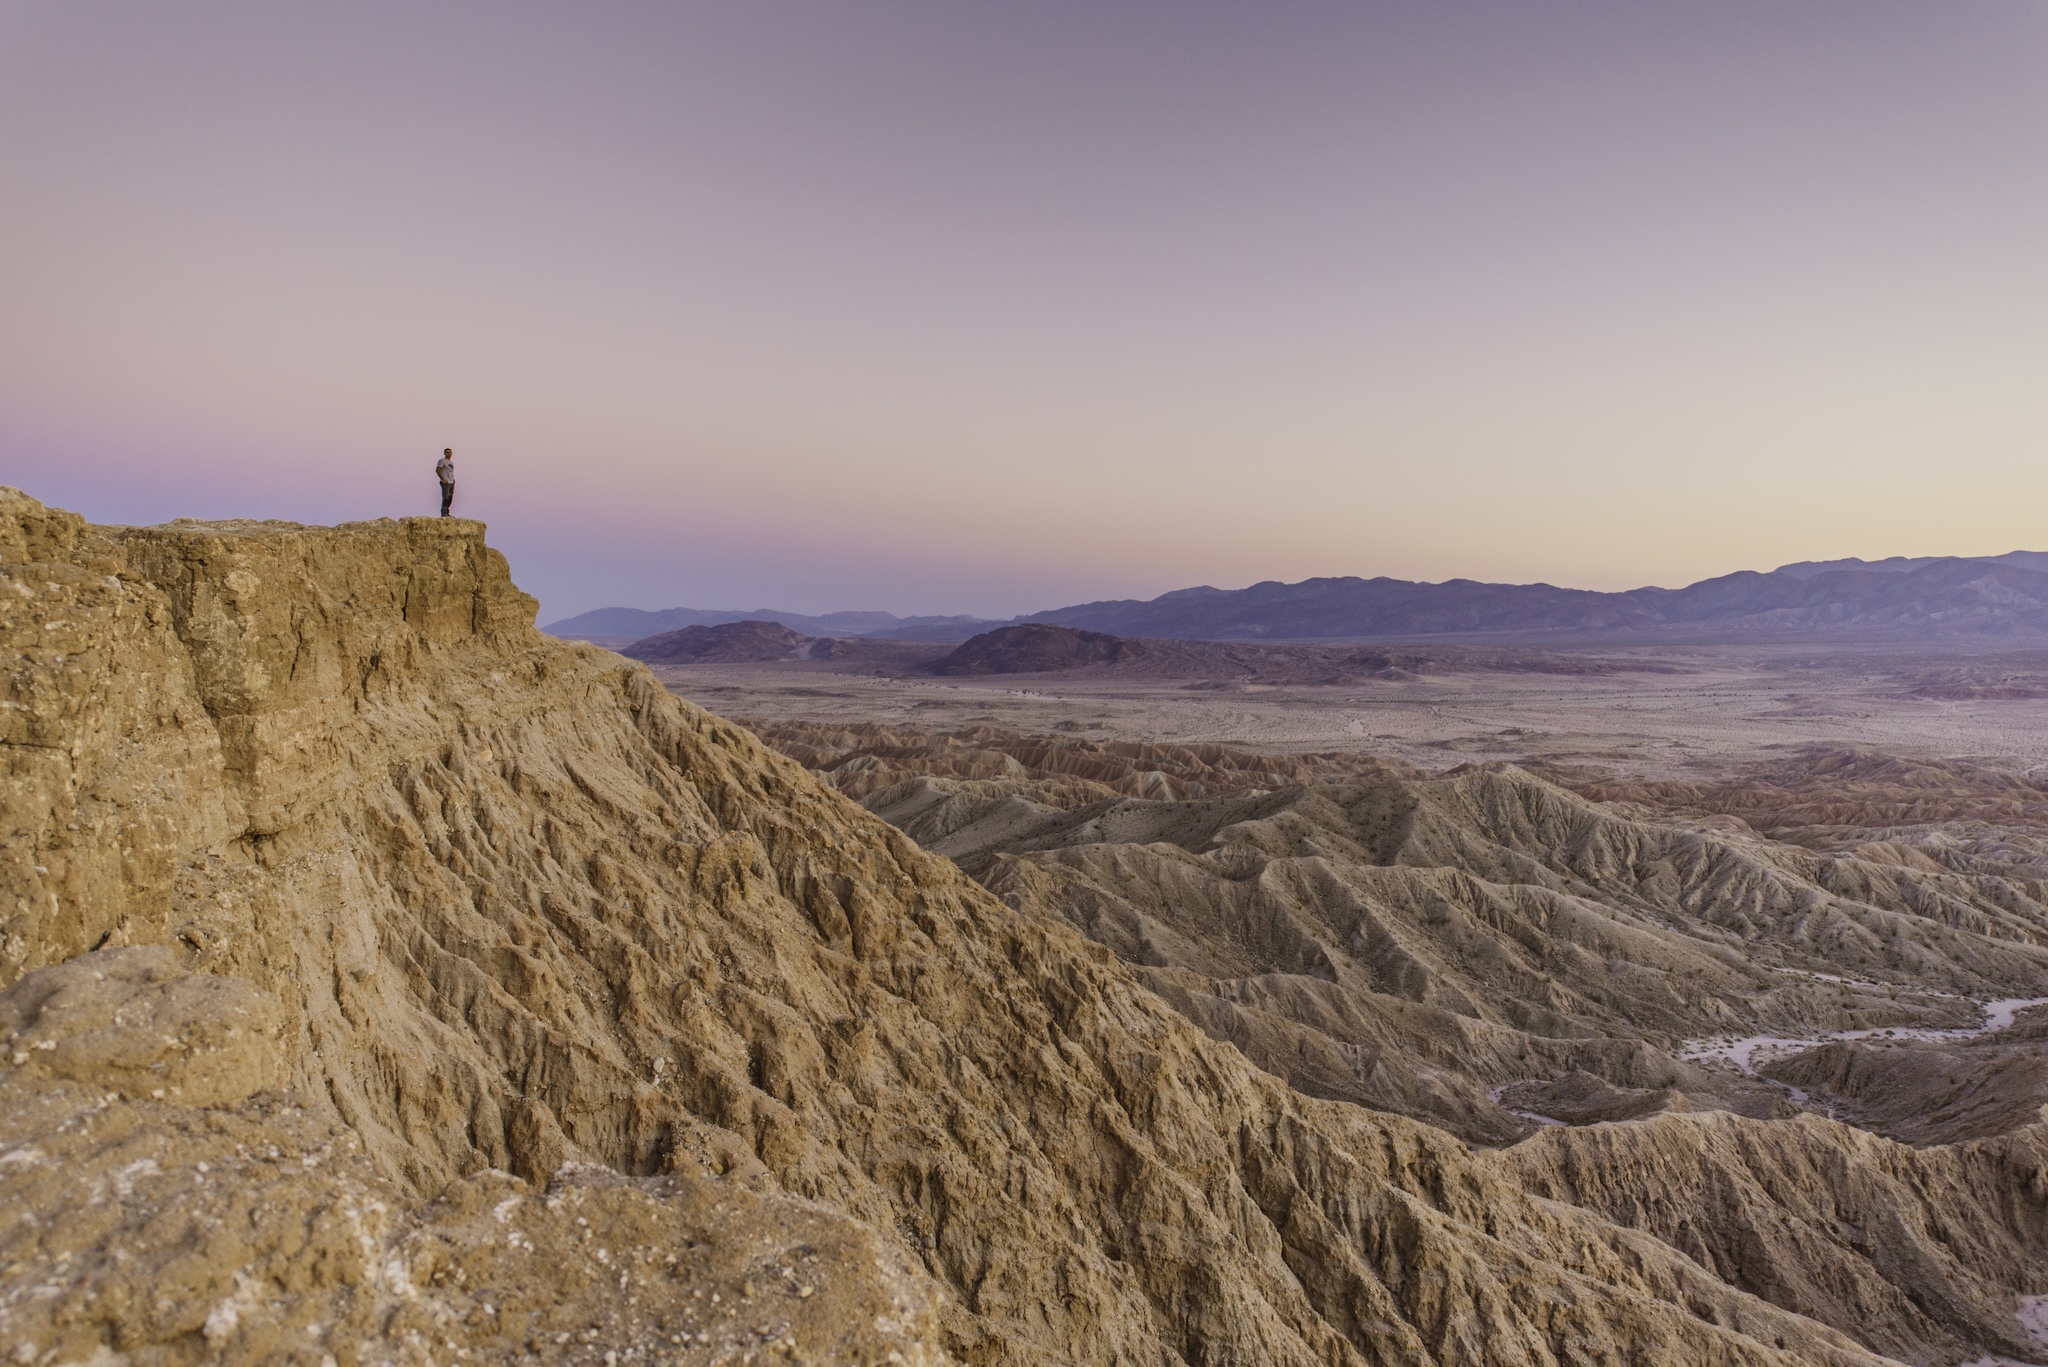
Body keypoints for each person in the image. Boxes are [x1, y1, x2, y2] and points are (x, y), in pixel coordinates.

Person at [436, 448, 456, 516]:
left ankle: (447, 512)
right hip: (445, 482)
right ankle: (444, 513)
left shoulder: (451, 463)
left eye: (450, 452)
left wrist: (453, 480)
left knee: (450, 497)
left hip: (451, 482)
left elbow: (450, 472)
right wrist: (443, 479)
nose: (448, 453)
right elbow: (438, 470)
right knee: (446, 497)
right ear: (444, 453)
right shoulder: (442, 461)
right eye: (447, 452)